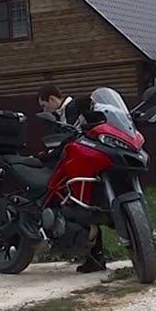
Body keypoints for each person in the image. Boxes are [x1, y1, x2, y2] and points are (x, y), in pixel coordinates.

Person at [36, 84, 106, 274]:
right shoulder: (60, 116)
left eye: (44, 105)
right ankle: (94, 257)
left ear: (52, 99)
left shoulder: (74, 106)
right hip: (78, 163)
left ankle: (95, 257)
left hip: (83, 163)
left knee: (83, 208)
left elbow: (91, 103)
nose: (45, 110)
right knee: (85, 209)